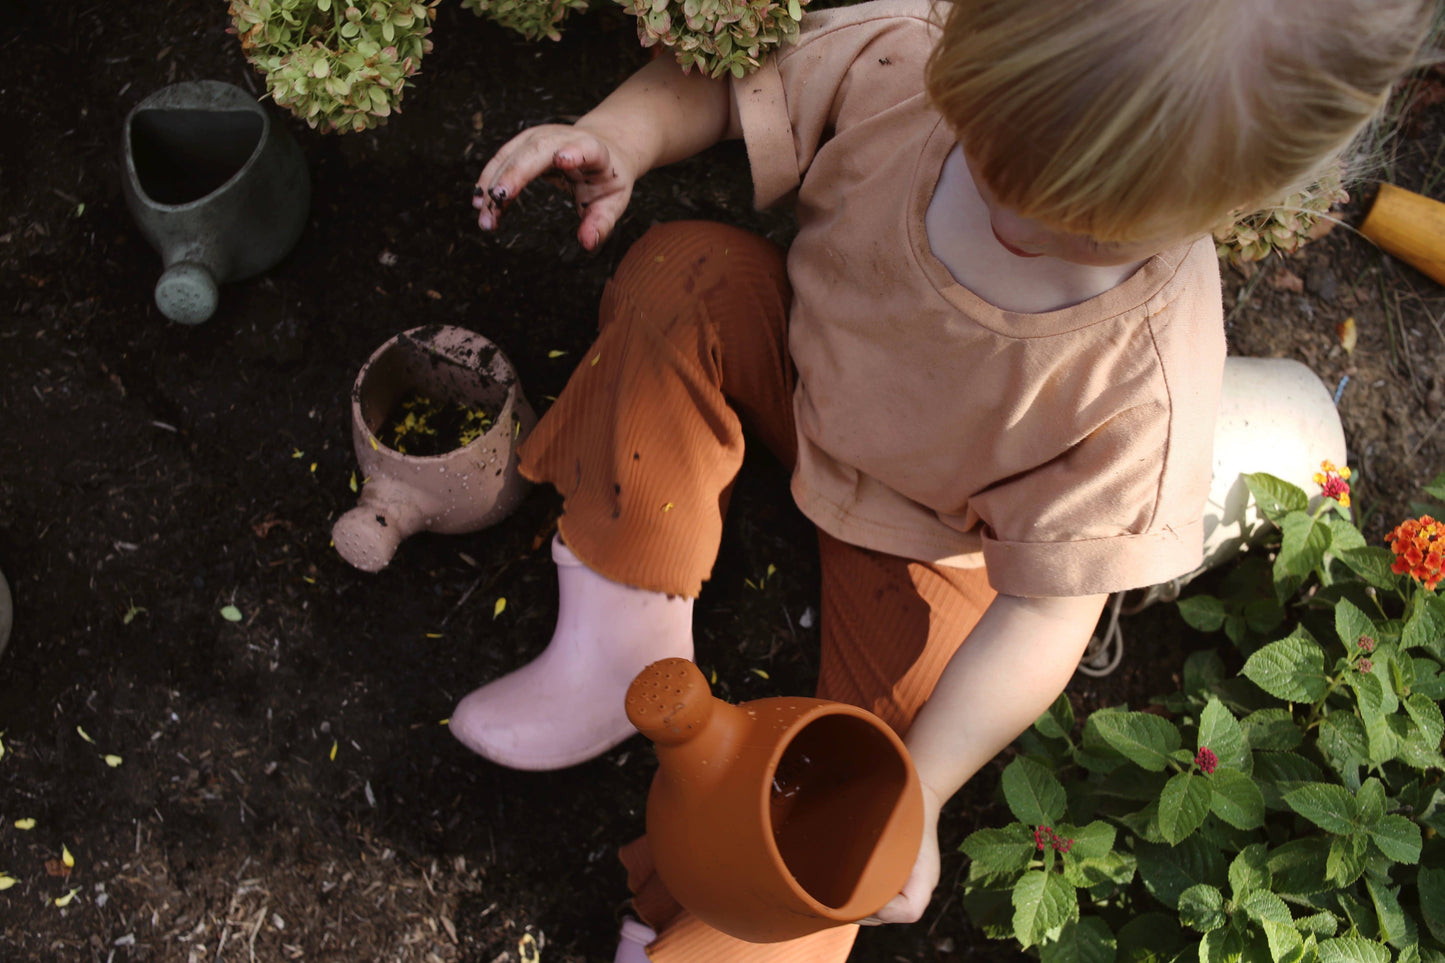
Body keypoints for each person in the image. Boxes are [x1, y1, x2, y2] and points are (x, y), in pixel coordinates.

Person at [451, 0, 1436, 958]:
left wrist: (922, 785)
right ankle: (625, 626)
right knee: (685, 275)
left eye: (1082, 227)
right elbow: (735, 86)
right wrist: (618, 133)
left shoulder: (1141, 382)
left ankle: (743, 915)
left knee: (862, 788)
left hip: (932, 539)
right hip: (799, 373)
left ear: (1236, 206)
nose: (1010, 211)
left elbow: (1047, 615)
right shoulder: (907, 58)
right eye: (983, 149)